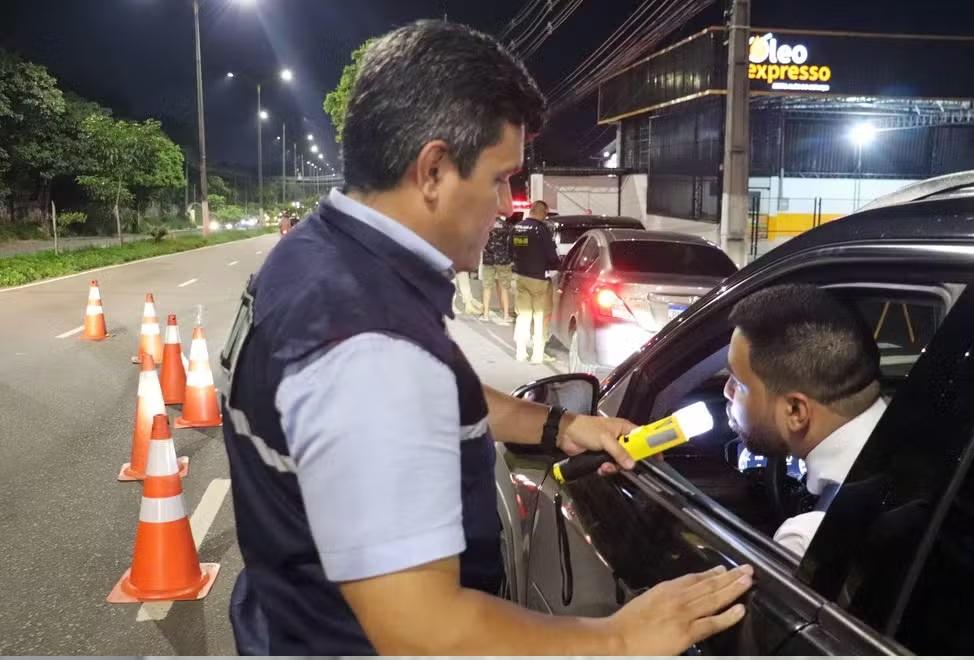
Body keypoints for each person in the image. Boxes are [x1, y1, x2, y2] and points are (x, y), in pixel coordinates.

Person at [222, 19, 751, 655]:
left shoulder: (320, 257)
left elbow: (432, 395)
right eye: (501, 178)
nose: (507, 205)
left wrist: (560, 427)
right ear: (434, 170)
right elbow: (423, 634)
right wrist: (618, 639)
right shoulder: (367, 341)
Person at [724, 284, 886, 558]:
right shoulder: (921, 439)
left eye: (738, 383)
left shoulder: (806, 541)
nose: (726, 391)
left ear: (795, 411)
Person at [512, 200, 559, 363]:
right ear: (542, 213)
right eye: (546, 214)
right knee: (540, 316)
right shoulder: (541, 230)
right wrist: (556, 265)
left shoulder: (517, 228)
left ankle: (520, 352)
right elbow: (552, 256)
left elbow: (510, 250)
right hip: (539, 279)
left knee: (523, 315)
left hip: (521, 277)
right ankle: (537, 355)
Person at [480, 215, 515, 324]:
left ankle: (485, 314)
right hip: (503, 261)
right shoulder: (507, 226)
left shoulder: (485, 225)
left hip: (488, 260)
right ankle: (506, 315)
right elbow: (512, 243)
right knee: (504, 288)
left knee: (487, 287)